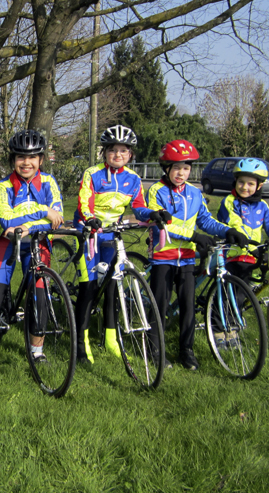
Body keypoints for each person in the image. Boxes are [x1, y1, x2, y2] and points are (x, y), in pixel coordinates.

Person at [146, 140, 249, 370]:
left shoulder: (194, 192)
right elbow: (164, 225)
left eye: (186, 168)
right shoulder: (157, 190)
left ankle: (187, 350)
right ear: (166, 168)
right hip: (164, 255)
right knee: (160, 305)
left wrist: (229, 230)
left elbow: (205, 220)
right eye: (176, 168)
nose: (181, 173)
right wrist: (193, 235)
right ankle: (155, 349)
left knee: (188, 305)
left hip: (187, 258)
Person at [72, 125, 164, 365]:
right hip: (90, 232)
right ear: (104, 153)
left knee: (114, 286)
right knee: (88, 286)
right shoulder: (92, 173)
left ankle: (111, 339)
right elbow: (84, 202)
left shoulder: (133, 179)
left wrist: (153, 214)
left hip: (113, 234)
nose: (118, 155)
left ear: (130, 154)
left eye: (123, 151)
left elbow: (139, 206)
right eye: (112, 150)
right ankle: (81, 344)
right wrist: (90, 218)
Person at [0, 129, 64, 370]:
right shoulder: (3, 186)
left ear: (41, 160)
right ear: (13, 160)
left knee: (40, 295)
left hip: (37, 241)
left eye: (32, 157)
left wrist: (27, 225)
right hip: (5, 241)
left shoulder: (49, 182)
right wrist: (43, 211)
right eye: (20, 157)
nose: (26, 162)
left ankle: (37, 352)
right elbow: (6, 219)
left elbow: (58, 218)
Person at [216, 158, 269, 347]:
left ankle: (232, 327)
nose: (245, 187)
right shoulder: (229, 202)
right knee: (229, 296)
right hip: (231, 256)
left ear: (259, 185)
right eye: (241, 182)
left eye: (250, 183)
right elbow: (237, 226)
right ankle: (220, 332)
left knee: (242, 296)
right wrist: (256, 250)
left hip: (250, 257)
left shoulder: (262, 205)